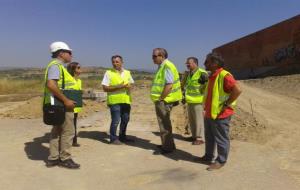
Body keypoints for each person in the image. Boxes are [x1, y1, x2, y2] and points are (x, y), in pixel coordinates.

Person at [198, 52, 241, 171]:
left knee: (221, 138)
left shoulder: (224, 75)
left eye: (207, 61)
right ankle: (208, 156)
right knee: (209, 137)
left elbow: (238, 90)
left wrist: (226, 104)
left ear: (215, 63)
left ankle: (221, 161)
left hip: (221, 114)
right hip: (210, 113)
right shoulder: (212, 76)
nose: (204, 63)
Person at [44, 41, 80, 169]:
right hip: (61, 105)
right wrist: (66, 100)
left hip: (56, 103)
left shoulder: (57, 66)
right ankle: (65, 158)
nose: (71, 54)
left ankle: (53, 158)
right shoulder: (56, 66)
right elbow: (51, 85)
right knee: (68, 131)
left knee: (56, 130)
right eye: (69, 52)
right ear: (61, 53)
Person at [150, 48, 182, 154]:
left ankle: (167, 148)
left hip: (165, 100)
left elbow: (169, 85)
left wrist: (161, 99)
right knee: (165, 124)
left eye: (155, 56)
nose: (152, 58)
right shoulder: (162, 66)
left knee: (164, 124)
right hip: (165, 99)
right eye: (152, 56)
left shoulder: (167, 66)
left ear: (162, 56)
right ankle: (168, 145)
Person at [102, 55, 134, 144]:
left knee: (125, 120)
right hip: (114, 101)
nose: (115, 64)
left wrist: (129, 87)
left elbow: (131, 84)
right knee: (116, 121)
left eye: (117, 62)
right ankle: (113, 139)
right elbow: (105, 88)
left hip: (126, 101)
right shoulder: (108, 73)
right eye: (113, 62)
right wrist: (119, 87)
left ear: (122, 62)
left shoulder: (127, 72)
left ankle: (122, 137)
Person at [184, 57, 208, 145]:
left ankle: (200, 138)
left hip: (198, 101)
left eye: (188, 63)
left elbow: (207, 89)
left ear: (195, 63)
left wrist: (205, 103)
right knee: (192, 120)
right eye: (186, 63)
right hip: (190, 101)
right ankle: (194, 136)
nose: (187, 65)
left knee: (199, 120)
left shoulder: (202, 74)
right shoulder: (189, 74)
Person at [67, 62, 82, 147]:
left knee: (74, 124)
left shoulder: (79, 81)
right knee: (68, 125)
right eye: (78, 68)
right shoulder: (68, 80)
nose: (80, 70)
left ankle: (74, 140)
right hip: (69, 106)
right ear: (73, 70)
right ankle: (69, 141)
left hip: (76, 107)